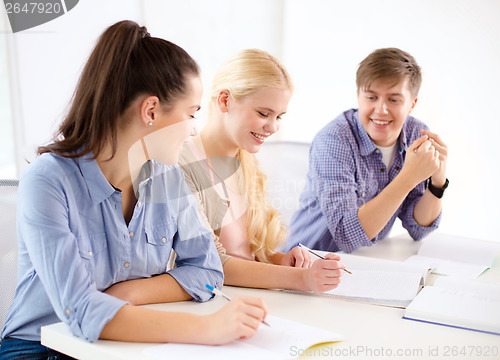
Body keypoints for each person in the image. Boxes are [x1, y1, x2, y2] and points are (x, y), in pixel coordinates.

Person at [0, 21, 268, 359]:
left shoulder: (168, 177)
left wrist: (127, 293)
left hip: (125, 343)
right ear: (151, 110)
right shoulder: (49, 180)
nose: (193, 130)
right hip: (38, 348)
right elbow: (79, 310)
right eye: (190, 113)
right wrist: (207, 328)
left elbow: (207, 270)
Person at [179, 49, 345, 292]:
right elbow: (212, 262)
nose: (273, 126)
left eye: (279, 116)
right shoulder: (182, 163)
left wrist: (283, 261)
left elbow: (249, 252)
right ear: (224, 101)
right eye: (263, 113)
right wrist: (300, 279)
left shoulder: (245, 160)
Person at [286, 48, 449, 253]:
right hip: (307, 261)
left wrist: (438, 181)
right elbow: (347, 235)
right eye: (371, 97)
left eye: (394, 100)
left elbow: (418, 229)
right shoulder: (333, 140)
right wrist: (408, 177)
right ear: (358, 96)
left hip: (365, 263)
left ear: (412, 104)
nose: (381, 109)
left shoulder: (416, 133)